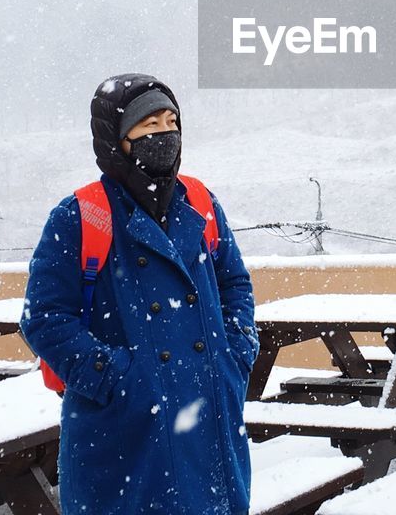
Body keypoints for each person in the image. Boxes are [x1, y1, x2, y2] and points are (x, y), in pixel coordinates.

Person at [20, 74, 257, 515]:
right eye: (149, 125)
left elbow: (234, 284)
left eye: (171, 122)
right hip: (125, 430)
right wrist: (118, 380)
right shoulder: (80, 215)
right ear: (117, 138)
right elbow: (45, 318)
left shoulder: (200, 203)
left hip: (210, 413)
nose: (164, 135)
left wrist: (234, 353)